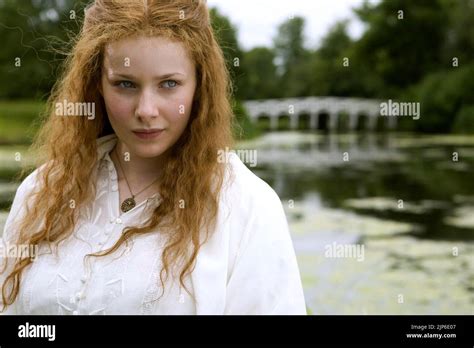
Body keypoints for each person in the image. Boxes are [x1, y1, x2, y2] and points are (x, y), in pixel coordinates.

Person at [0, 0, 306, 315]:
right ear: (97, 85)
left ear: (199, 86)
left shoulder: (246, 206)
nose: (146, 110)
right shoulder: (43, 190)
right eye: (125, 84)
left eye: (169, 84)